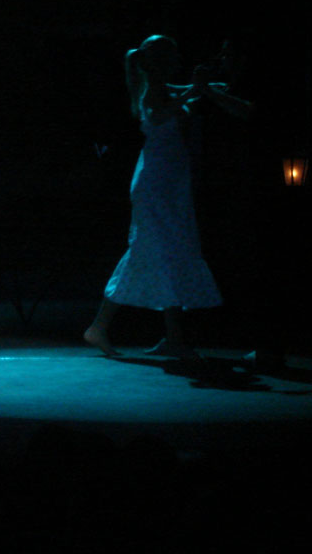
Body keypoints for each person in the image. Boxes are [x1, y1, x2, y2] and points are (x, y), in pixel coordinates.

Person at [84, 35, 225, 359]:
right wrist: (192, 91)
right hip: (156, 184)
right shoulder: (152, 90)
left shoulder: (164, 87)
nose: (179, 59)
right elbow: (160, 114)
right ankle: (99, 326)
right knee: (150, 250)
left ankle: (174, 336)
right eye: (173, 55)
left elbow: (190, 93)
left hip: (168, 183)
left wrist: (205, 85)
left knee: (170, 251)